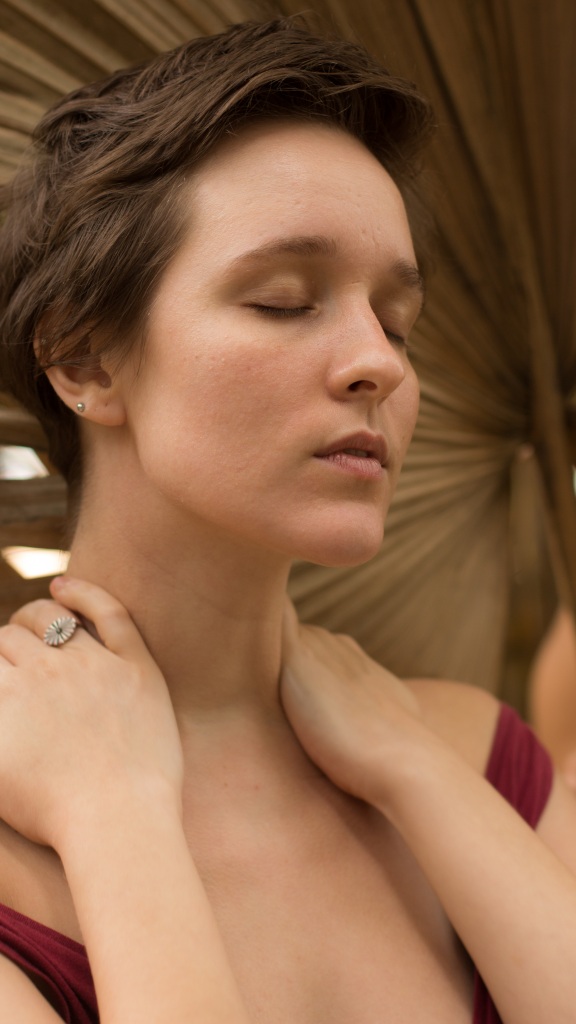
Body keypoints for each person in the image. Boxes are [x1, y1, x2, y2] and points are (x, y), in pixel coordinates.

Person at [0, 16, 575, 1024]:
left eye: (397, 321)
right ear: (85, 358)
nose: (380, 361)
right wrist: (114, 816)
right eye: (282, 300)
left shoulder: (468, 748)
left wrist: (416, 770)